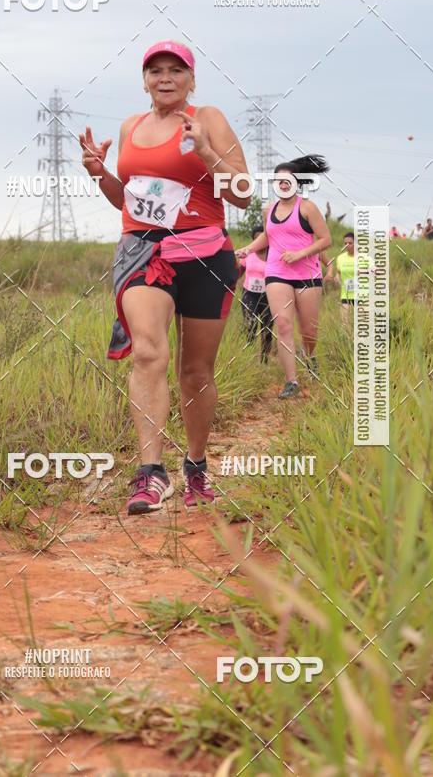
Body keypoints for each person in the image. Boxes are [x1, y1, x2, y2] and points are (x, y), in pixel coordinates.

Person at [79, 40, 251, 515]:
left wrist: (208, 152)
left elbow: (242, 194)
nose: (166, 77)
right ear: (144, 80)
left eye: (177, 69)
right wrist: (99, 173)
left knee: (196, 370)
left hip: (204, 253)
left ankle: (195, 466)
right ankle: (150, 475)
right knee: (149, 352)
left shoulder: (209, 118)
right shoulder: (129, 127)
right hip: (142, 253)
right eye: (156, 70)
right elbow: (127, 201)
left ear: (192, 80)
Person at [237, 156, 332, 399]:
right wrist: (248, 248)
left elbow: (325, 240)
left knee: (309, 330)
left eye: (287, 179)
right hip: (277, 273)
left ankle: (308, 354)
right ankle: (291, 381)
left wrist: (301, 253)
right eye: (278, 180)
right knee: (283, 325)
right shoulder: (269, 209)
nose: (282, 183)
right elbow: (268, 238)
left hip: (308, 274)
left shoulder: (307, 207)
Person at [238, 225, 273, 361]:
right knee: (250, 323)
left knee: (267, 329)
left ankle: (264, 360)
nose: (259, 242)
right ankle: (249, 355)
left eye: (261, 238)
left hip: (268, 296)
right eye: (256, 239)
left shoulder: (273, 255)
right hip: (249, 294)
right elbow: (239, 271)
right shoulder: (249, 254)